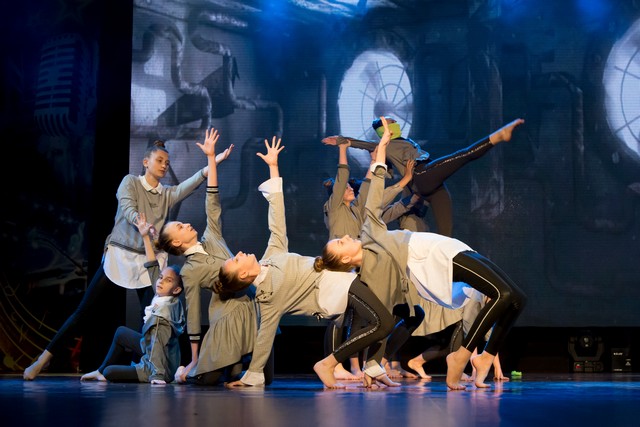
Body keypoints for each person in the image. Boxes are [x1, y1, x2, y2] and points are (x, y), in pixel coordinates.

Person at [316, 117, 527, 390]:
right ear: (345, 259)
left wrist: (381, 150)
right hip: (432, 258)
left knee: (517, 298)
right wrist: (349, 363)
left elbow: (374, 188)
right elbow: (382, 320)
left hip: (445, 247)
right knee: (503, 294)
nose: (346, 236)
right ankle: (462, 356)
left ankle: (484, 358)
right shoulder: (370, 250)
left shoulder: (367, 233)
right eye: (341, 242)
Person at [24, 138, 223, 381]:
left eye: (167, 162)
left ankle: (152, 367)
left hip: (148, 260)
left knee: (155, 316)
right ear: (146, 162)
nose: (164, 165)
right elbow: (127, 206)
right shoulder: (130, 182)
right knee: (83, 311)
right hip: (121, 255)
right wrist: (140, 222)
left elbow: (189, 185)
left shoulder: (166, 194)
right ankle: (43, 359)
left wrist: (212, 162)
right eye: (159, 160)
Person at [216, 136, 397, 389]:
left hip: (341, 278)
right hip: (331, 290)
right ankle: (331, 364)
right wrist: (253, 374)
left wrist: (273, 166)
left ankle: (371, 367)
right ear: (243, 276)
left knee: (383, 317)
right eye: (236, 261)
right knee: (383, 320)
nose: (238, 254)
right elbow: (264, 335)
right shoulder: (267, 297)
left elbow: (277, 217)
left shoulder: (272, 256)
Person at [155, 127, 272, 386]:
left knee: (266, 378)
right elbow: (194, 315)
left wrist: (211, 158)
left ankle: (237, 364)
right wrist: (195, 358)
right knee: (207, 379)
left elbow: (212, 200)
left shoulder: (212, 236)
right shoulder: (189, 271)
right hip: (226, 318)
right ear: (177, 242)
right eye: (180, 227)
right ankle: (201, 367)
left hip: (251, 305)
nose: (187, 224)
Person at [322, 117, 526, 237]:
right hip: (421, 176)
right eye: (391, 123)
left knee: (446, 235)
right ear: (385, 130)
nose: (396, 123)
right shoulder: (386, 145)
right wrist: (341, 140)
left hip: (433, 186)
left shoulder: (405, 141)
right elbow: (363, 144)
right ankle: (498, 136)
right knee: (463, 155)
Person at [322, 139, 419, 380]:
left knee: (359, 317)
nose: (349, 189)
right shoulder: (334, 208)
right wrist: (343, 149)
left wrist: (379, 163)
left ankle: (356, 365)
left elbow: (368, 187)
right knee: (339, 318)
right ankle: (334, 365)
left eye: (350, 188)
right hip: (340, 267)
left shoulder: (357, 210)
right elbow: (342, 177)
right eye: (345, 188)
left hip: (357, 266)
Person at [80, 212, 185, 384]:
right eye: (160, 278)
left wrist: (157, 375)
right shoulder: (162, 295)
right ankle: (100, 371)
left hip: (158, 366)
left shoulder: (164, 312)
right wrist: (145, 236)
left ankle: (107, 371)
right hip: (150, 350)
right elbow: (152, 265)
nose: (160, 281)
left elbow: (158, 345)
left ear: (177, 289)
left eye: (168, 280)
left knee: (110, 372)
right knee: (121, 332)